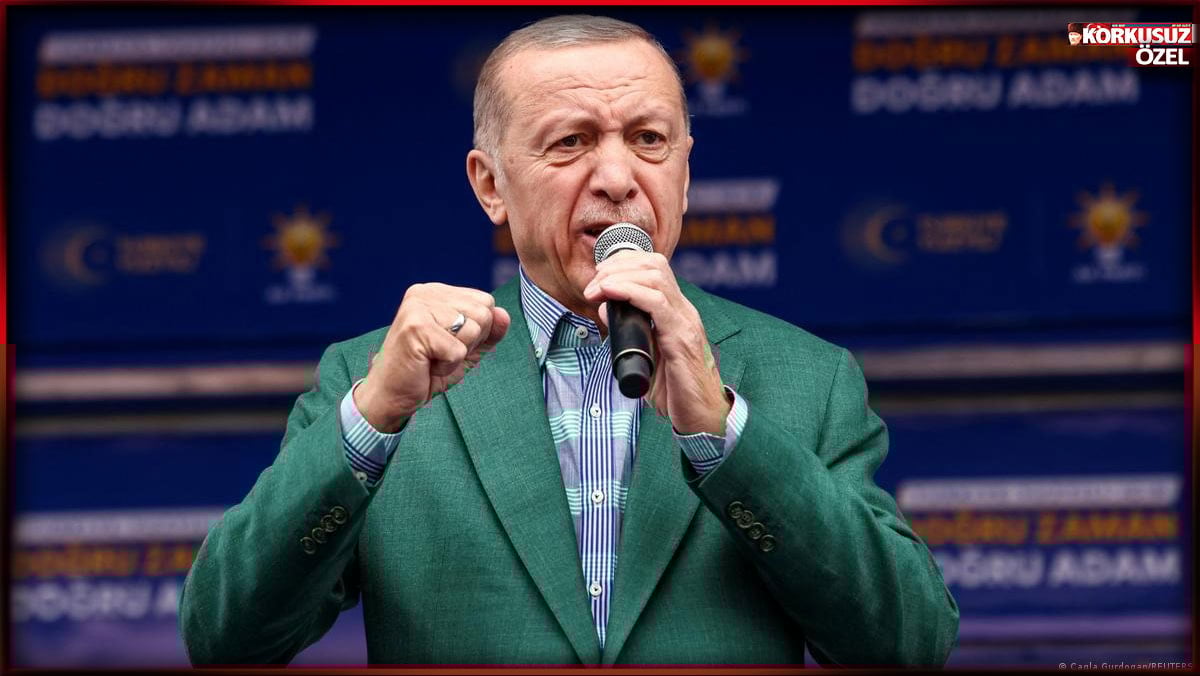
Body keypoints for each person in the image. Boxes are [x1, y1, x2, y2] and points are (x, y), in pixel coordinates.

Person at [179, 14, 959, 666]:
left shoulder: (806, 377)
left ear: (685, 174)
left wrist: (724, 435)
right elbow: (225, 639)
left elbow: (910, 645)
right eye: (571, 143)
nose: (618, 176)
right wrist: (372, 419)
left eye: (648, 139)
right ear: (491, 185)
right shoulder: (377, 378)